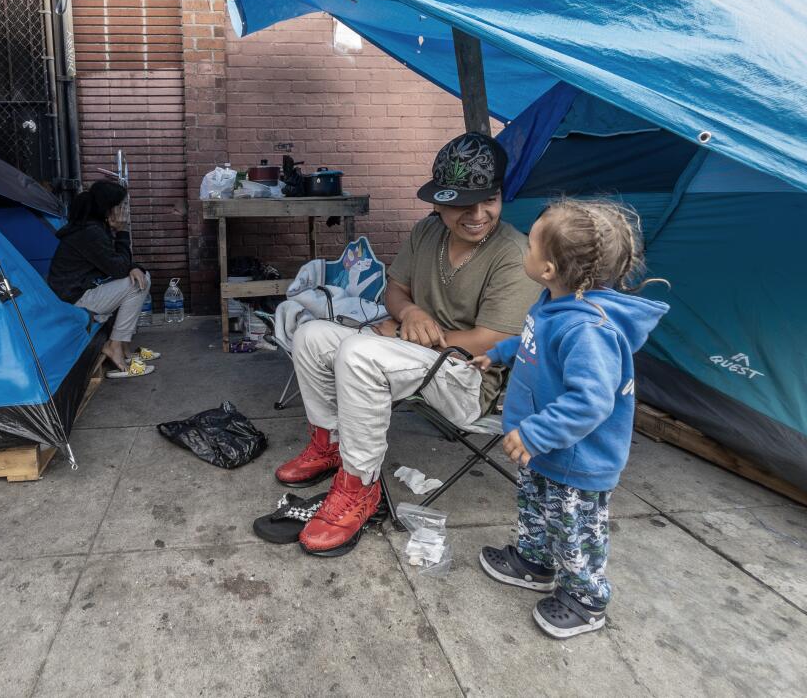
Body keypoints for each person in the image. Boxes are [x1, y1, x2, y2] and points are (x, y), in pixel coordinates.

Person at [279, 132, 541, 556]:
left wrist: (400, 333)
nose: (478, 214)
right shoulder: (427, 232)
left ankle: (360, 487)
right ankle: (329, 443)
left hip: (471, 378)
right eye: (462, 204)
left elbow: (492, 339)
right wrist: (411, 314)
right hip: (416, 357)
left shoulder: (513, 252)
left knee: (358, 352)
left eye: (489, 200)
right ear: (437, 202)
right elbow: (394, 290)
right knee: (311, 335)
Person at [472, 198, 668, 639]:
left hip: (578, 460)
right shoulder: (553, 304)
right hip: (543, 450)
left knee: (576, 529)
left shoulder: (587, 329)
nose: (523, 250)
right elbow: (533, 342)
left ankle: (586, 599)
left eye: (529, 246)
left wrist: (536, 432)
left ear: (547, 269)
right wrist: (498, 355)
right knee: (537, 510)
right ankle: (535, 562)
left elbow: (592, 400)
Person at [47, 180, 158, 379]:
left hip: (83, 290)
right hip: (75, 298)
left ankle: (123, 346)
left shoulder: (94, 228)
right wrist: (123, 231)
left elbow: (117, 263)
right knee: (138, 284)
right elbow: (117, 268)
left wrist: (133, 267)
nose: (124, 211)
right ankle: (115, 346)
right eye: (121, 206)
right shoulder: (90, 232)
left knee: (139, 277)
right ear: (108, 208)